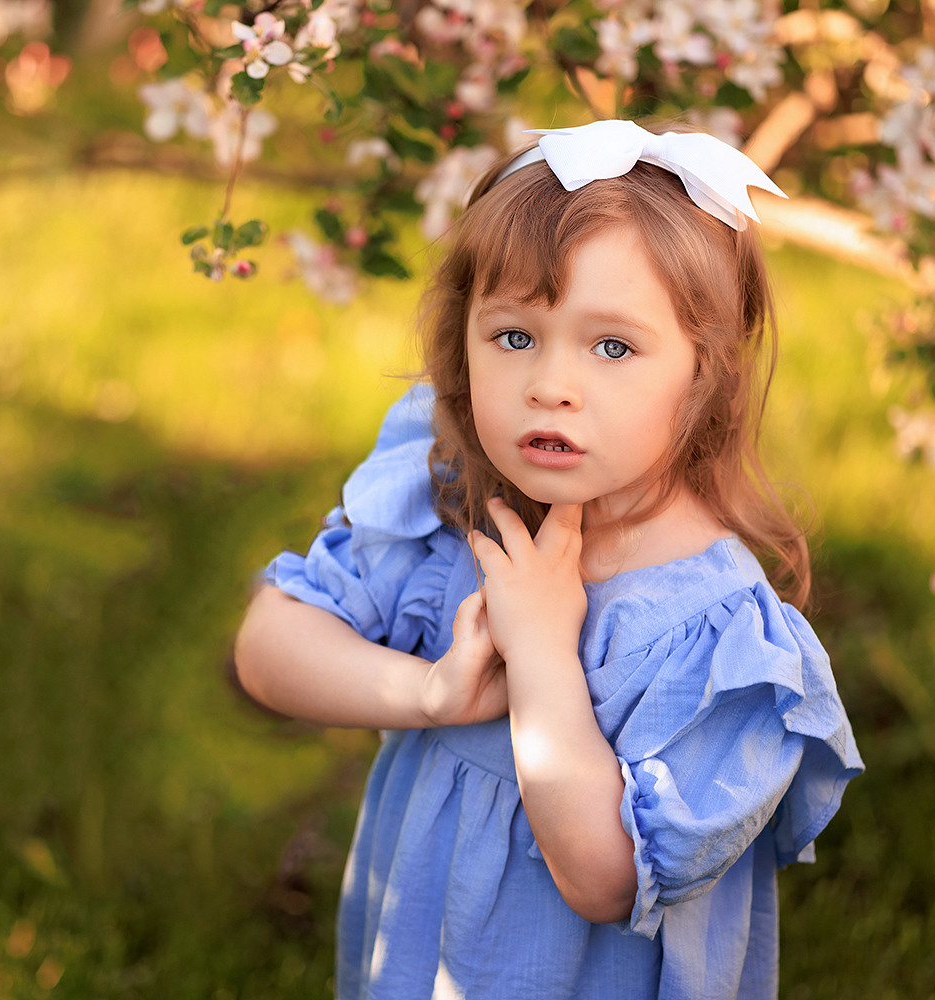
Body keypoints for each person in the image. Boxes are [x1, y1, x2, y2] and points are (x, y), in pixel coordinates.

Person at [233, 119, 864, 999]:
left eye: (613, 346)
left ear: (705, 373)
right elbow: (267, 648)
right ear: (463, 342)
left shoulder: (715, 634)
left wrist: (537, 650)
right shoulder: (452, 502)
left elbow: (604, 880)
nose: (551, 383)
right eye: (515, 336)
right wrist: (429, 693)